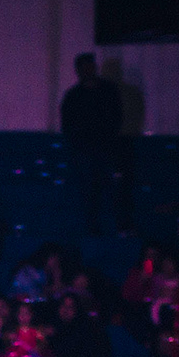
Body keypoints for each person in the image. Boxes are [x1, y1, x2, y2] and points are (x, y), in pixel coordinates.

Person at [59, 54, 123, 235]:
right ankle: (93, 229)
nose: (88, 70)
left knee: (112, 192)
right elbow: (67, 125)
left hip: (106, 150)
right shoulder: (73, 96)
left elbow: (117, 118)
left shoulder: (108, 91)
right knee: (89, 192)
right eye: (85, 67)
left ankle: (115, 228)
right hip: (85, 153)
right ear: (79, 70)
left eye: (90, 66)